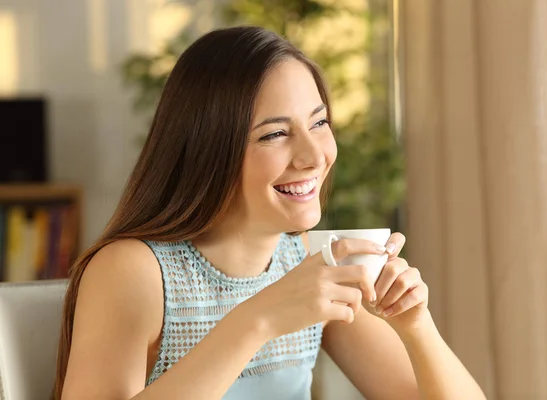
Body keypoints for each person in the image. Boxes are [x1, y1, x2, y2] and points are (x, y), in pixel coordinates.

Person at [56, 26, 485, 400]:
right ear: (209, 150)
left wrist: (416, 327)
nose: (314, 155)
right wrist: (258, 319)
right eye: (276, 134)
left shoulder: (306, 260)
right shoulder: (134, 269)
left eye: (319, 123)